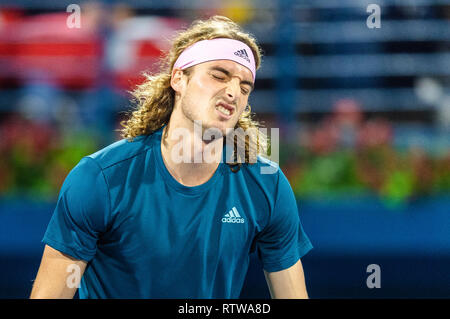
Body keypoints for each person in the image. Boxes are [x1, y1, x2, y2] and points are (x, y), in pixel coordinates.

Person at [30, 16, 313, 299]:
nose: (232, 92)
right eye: (219, 75)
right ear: (178, 78)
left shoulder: (267, 185)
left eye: (244, 87)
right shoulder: (100, 178)